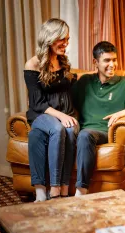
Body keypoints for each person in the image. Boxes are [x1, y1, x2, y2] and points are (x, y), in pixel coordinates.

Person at [71, 41, 125, 196]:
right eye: (107, 60)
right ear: (95, 62)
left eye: (114, 60)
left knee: (85, 135)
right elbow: (64, 99)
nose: (112, 64)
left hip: (105, 133)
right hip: (82, 131)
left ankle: (81, 191)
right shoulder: (85, 82)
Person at [25, 18, 79, 202]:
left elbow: (69, 88)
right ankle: (54, 189)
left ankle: (63, 188)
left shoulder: (63, 62)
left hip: (64, 114)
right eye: (61, 39)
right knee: (58, 129)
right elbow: (37, 102)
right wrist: (61, 116)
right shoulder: (33, 64)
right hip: (42, 115)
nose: (66, 44)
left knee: (70, 131)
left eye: (67, 39)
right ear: (49, 38)